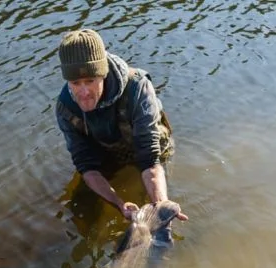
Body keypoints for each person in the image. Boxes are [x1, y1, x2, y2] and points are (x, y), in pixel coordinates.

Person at [56, 29, 188, 223]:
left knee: (155, 205)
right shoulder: (65, 108)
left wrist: (161, 206)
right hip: (107, 150)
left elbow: (150, 158)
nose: (84, 92)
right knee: (81, 208)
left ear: (103, 74)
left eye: (90, 81)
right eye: (76, 83)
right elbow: (86, 165)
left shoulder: (138, 87)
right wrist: (119, 204)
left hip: (147, 147)